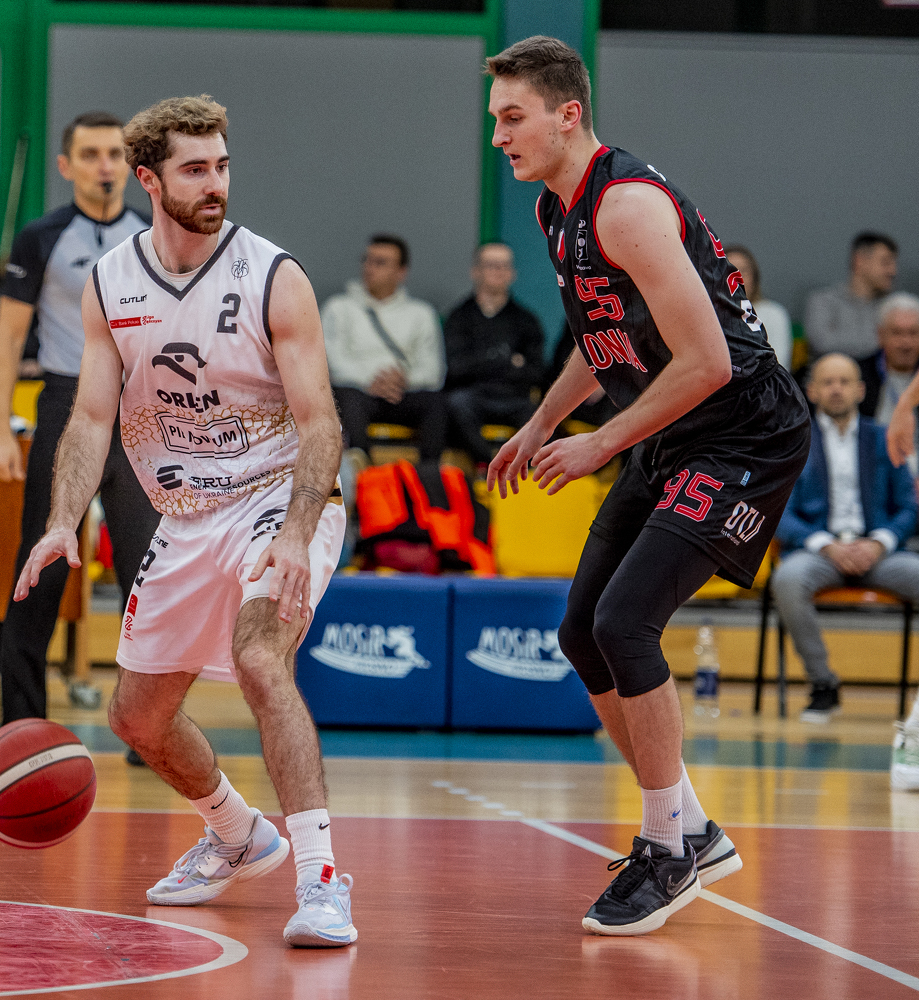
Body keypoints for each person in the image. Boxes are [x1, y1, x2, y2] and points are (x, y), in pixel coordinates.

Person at [485, 37, 809, 936]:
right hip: (672, 431)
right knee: (582, 632)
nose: (499, 137)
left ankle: (668, 849)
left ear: (568, 115)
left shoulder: (624, 207)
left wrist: (599, 443)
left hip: (744, 433)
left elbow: (707, 362)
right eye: (496, 120)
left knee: (627, 623)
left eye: (512, 118)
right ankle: (692, 829)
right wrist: (543, 423)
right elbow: (607, 339)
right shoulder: (556, 207)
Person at [15, 95, 356, 948]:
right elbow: (91, 417)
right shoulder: (111, 281)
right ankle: (238, 835)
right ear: (149, 179)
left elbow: (322, 424)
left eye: (222, 166)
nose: (216, 184)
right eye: (195, 169)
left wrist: (293, 535)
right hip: (189, 510)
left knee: (259, 660)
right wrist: (62, 520)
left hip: (280, 494)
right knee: (137, 719)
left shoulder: (273, 275)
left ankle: (321, 880)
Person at [0, 111, 160, 728]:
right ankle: (21, 726)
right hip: (65, 404)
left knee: (148, 571)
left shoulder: (155, 232)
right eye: (90, 154)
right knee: (41, 567)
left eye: (114, 154)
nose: (104, 166)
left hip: (140, 410)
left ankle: (149, 729)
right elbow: (8, 339)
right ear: (66, 166)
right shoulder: (41, 237)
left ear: (132, 166)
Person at [769, 354, 919, 722]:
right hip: (819, 551)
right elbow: (777, 511)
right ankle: (823, 683)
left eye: (844, 381)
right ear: (811, 391)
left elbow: (907, 506)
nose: (836, 389)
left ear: (861, 390)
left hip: (879, 552)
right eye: (827, 382)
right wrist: (826, 546)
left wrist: (879, 543)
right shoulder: (792, 440)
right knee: (787, 580)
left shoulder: (884, 436)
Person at [321, 234, 446, 463]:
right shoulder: (338, 308)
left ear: (401, 272)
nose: (369, 268)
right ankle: (362, 471)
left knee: (436, 402)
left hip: (404, 392)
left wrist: (403, 380)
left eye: (380, 263)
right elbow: (331, 362)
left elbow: (432, 371)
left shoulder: (421, 314)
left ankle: (429, 473)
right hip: (358, 391)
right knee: (344, 398)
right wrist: (372, 380)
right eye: (367, 260)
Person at [442, 242, 545, 465]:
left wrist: (483, 361)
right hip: (472, 396)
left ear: (513, 273)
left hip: (514, 398)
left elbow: (536, 372)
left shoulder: (527, 321)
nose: (499, 271)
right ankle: (488, 464)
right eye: (491, 265)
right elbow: (456, 369)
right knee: (454, 405)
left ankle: (522, 469)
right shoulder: (458, 318)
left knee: (542, 415)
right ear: (475, 271)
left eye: (504, 266)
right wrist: (508, 361)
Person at [861, 294, 919, 490]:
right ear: (880, 335)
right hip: (871, 486)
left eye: (913, 333)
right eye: (897, 333)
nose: (906, 343)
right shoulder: (859, 376)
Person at [805, 233, 898, 361]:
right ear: (859, 261)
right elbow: (823, 343)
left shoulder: (892, 306)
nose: (893, 271)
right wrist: (881, 342)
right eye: (885, 263)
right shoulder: (823, 301)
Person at [726, 246, 791, 371]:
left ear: (754, 277)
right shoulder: (707, 315)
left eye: (743, 271)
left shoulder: (774, 314)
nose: (737, 277)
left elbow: (778, 362)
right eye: (730, 271)